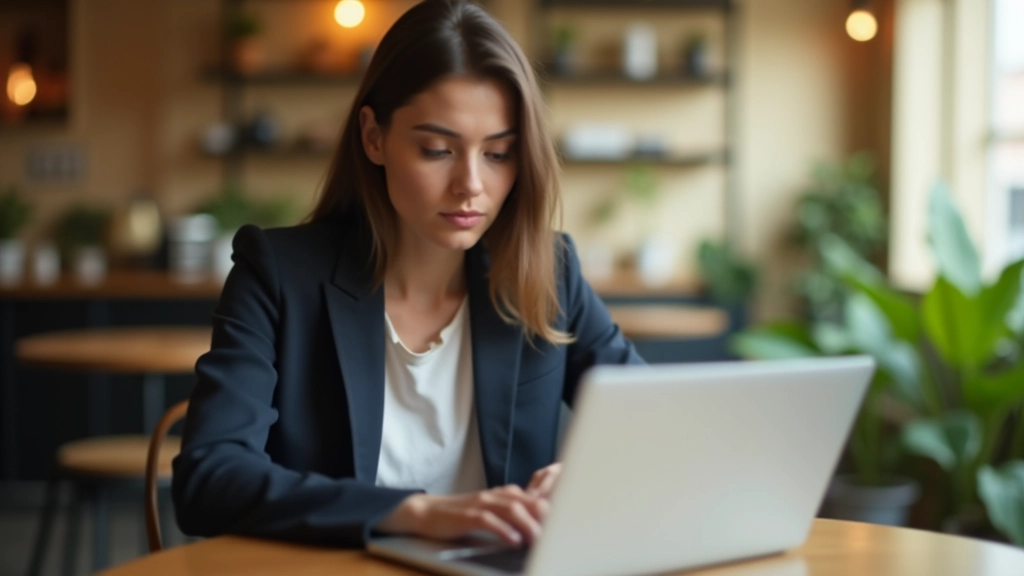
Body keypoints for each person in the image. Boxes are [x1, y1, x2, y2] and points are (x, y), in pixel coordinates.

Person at [171, 0, 643, 550]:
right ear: (374, 137)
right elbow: (208, 480)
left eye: (498, 154)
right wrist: (413, 513)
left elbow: (656, 422)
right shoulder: (278, 276)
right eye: (437, 149)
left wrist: (588, 474)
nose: (470, 184)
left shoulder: (548, 271)